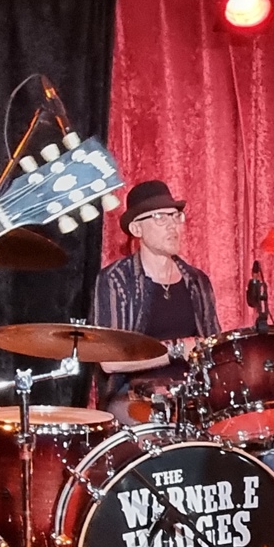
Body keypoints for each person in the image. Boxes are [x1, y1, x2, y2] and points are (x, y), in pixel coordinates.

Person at [92, 179, 221, 422]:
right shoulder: (115, 279)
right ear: (136, 229)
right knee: (160, 435)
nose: (172, 225)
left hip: (192, 392)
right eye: (160, 217)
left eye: (175, 216)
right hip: (134, 394)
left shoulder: (197, 280)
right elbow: (109, 361)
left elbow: (213, 347)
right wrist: (177, 349)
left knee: (254, 434)